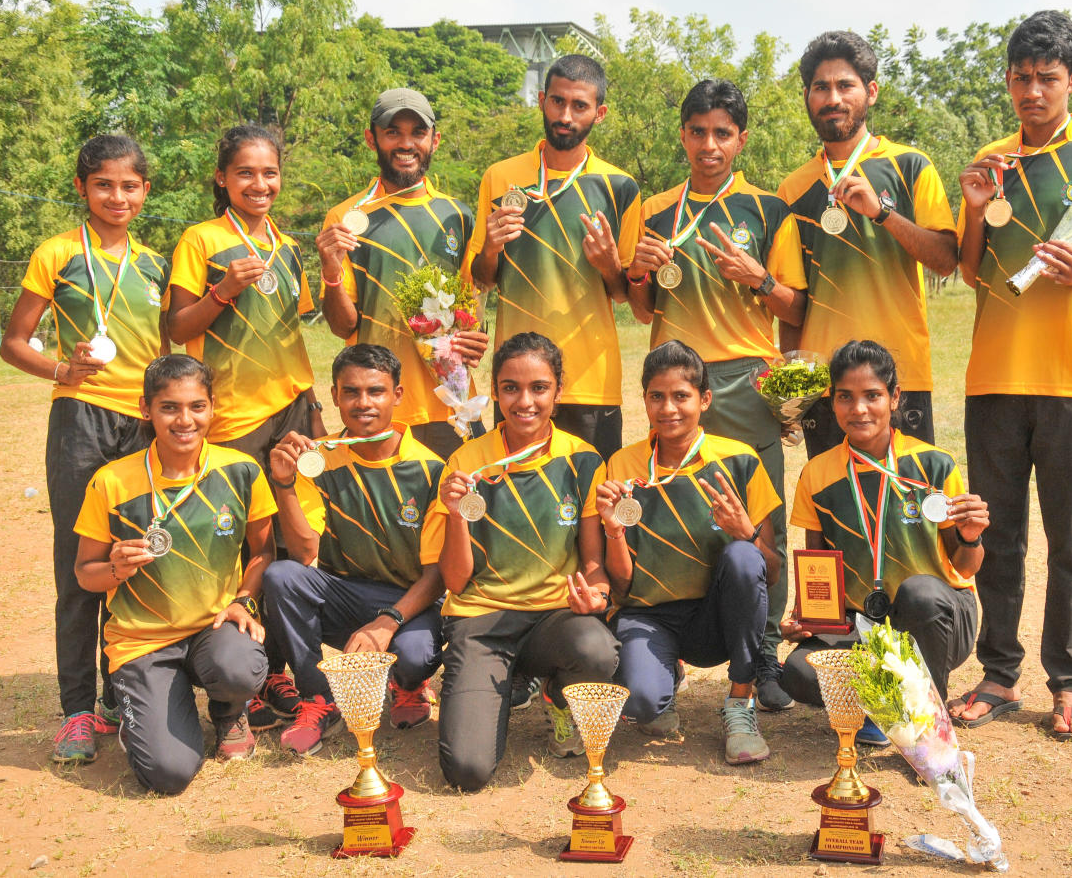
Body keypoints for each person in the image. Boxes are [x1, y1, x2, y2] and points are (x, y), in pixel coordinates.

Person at [948, 11, 1072, 741]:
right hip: (993, 378)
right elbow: (969, 269)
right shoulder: (990, 159)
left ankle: (1069, 680)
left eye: (1048, 79)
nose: (1034, 92)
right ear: (1008, 81)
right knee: (995, 536)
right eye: (1022, 79)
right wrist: (972, 209)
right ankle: (998, 672)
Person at [626, 79, 806, 712]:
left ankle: (763, 661)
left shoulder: (768, 210)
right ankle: (661, 642)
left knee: (760, 524)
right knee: (670, 518)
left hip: (746, 380)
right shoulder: (652, 210)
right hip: (678, 382)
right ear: (683, 136)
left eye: (722, 133)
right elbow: (640, 303)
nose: (709, 144)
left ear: (741, 139)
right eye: (698, 131)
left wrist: (758, 278)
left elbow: (797, 305)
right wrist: (640, 270)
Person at [0, 135, 169, 764]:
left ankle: (116, 697)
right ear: (82, 188)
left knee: (133, 559)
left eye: (130, 186)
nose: (117, 196)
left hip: (143, 427)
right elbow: (13, 342)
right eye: (104, 185)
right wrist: (58, 371)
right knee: (79, 566)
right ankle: (75, 710)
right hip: (79, 420)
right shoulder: (58, 253)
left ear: (145, 191)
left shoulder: (155, 265)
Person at [167, 123, 322, 728]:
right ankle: (233, 685)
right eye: (246, 173)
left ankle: (273, 672)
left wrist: (309, 402)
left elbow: (291, 329)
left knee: (284, 548)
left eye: (270, 173)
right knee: (238, 547)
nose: (260, 183)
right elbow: (178, 329)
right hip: (231, 416)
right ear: (221, 177)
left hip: (290, 407)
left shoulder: (286, 244)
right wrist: (224, 290)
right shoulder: (200, 240)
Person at [425, 332, 620, 792]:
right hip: (482, 622)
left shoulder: (583, 459)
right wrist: (455, 516)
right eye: (510, 387)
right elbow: (454, 578)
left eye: (539, 388)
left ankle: (555, 692)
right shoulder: (466, 462)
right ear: (493, 391)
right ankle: (492, 680)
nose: (524, 401)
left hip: (553, 620)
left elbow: (593, 561)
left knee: (597, 650)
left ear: (558, 390)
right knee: (467, 773)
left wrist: (599, 594)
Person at [72, 355, 274, 794]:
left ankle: (227, 711)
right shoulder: (111, 482)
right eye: (169, 408)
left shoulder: (241, 471)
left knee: (239, 668)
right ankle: (142, 706)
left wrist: (243, 599)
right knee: (168, 774)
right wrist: (113, 568)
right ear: (146, 409)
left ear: (212, 406)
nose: (185, 420)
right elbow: (84, 574)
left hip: (214, 629)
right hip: (143, 642)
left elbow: (264, 551)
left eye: (197, 406)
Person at [779, 341, 984, 745]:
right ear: (832, 402)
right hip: (863, 625)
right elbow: (819, 568)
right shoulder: (817, 475)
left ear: (894, 398)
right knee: (798, 672)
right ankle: (888, 705)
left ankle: (927, 726)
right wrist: (805, 617)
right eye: (845, 397)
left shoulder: (933, 465)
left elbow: (967, 566)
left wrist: (970, 537)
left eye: (872, 395)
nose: (859, 410)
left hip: (934, 621)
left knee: (921, 592)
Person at [598, 341, 781, 765]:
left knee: (743, 557)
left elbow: (768, 571)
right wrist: (613, 532)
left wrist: (746, 532)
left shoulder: (739, 460)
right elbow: (622, 584)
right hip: (650, 615)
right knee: (640, 703)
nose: (668, 409)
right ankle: (665, 677)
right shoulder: (623, 466)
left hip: (717, 618)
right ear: (643, 399)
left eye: (681, 396)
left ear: (705, 399)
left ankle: (739, 704)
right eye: (656, 397)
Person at [777, 31, 958, 458]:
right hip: (825, 385)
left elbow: (946, 261)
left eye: (845, 85)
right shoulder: (792, 188)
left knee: (906, 510)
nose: (832, 98)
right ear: (807, 97)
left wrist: (883, 213)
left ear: (870, 92)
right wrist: (792, 390)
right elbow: (794, 303)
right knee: (832, 509)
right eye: (821, 87)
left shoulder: (911, 166)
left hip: (898, 381)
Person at [260, 345, 446, 755]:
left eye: (376, 391)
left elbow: (438, 573)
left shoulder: (431, 468)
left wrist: (389, 621)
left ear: (398, 394)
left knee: (414, 656)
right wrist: (285, 485)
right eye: (351, 392)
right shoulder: (318, 459)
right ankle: (319, 698)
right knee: (281, 576)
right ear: (336, 395)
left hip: (407, 602)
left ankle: (409, 685)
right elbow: (306, 552)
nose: (363, 403)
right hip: (341, 594)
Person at [469, 54, 641, 460]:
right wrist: (491, 246)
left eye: (579, 106)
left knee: (593, 509)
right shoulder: (499, 177)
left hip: (590, 380)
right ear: (542, 100)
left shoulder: (620, 186)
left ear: (598, 113)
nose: (566, 115)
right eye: (558, 102)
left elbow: (624, 296)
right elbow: (482, 278)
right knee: (513, 500)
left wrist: (609, 266)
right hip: (518, 381)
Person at [317, 88, 489, 460]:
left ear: (435, 140)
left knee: (460, 511)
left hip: (450, 404)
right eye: (393, 132)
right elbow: (342, 326)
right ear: (371, 138)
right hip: (379, 408)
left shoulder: (457, 216)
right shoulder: (345, 219)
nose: (406, 143)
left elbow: (469, 310)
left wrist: (473, 337)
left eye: (417, 132)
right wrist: (331, 272)